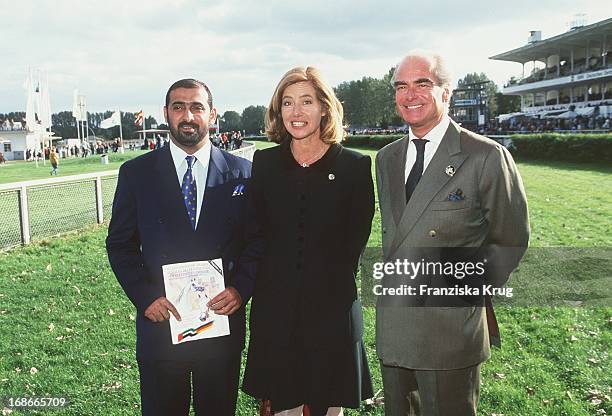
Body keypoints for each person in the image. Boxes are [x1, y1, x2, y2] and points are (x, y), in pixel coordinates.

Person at [375, 50, 529, 415]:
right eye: (401, 86)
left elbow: (509, 243)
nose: (409, 95)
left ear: (447, 92)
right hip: (395, 327)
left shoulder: (485, 156)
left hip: (448, 331)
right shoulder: (387, 159)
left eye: (422, 84)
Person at [106, 78, 260, 416]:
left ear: (212, 114)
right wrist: (145, 296)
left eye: (196, 107)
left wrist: (240, 289)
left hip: (221, 324)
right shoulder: (136, 174)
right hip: (161, 324)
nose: (187, 115)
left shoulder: (243, 173)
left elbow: (256, 243)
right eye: (178, 107)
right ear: (166, 114)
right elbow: (120, 245)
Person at [242, 66, 375, 416]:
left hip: (330, 315)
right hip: (275, 316)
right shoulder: (265, 163)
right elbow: (256, 233)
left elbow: (352, 247)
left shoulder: (354, 167)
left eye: (306, 101)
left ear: (324, 108)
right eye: (287, 103)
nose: (296, 112)